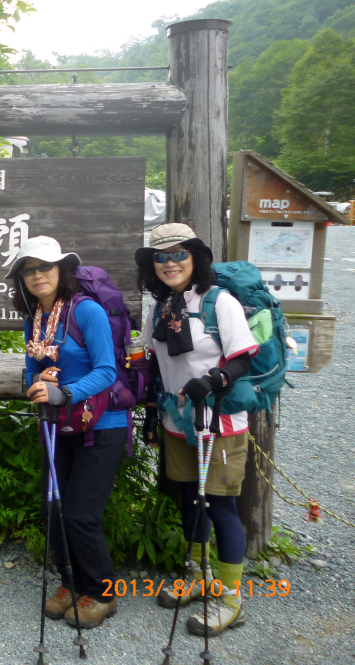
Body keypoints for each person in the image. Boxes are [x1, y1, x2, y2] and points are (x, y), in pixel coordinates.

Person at [137, 223, 257, 636]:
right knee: (189, 500)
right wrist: (153, 413)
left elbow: (243, 358)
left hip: (218, 422)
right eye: (160, 256)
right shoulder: (160, 306)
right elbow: (154, 363)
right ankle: (198, 574)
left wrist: (213, 381)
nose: (170, 263)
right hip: (177, 421)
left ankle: (230, 599)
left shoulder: (219, 302)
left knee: (220, 505)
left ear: (195, 257)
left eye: (178, 254)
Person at [7, 236, 121, 629]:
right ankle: (71, 584)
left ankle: (103, 592)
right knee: (52, 510)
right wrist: (34, 381)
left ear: (63, 270)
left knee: (80, 513)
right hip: (59, 424)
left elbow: (107, 371)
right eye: (29, 269)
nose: (37, 275)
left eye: (45, 266)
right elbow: (28, 365)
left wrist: (64, 391)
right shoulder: (33, 318)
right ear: (21, 277)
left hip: (101, 425)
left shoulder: (86, 311)